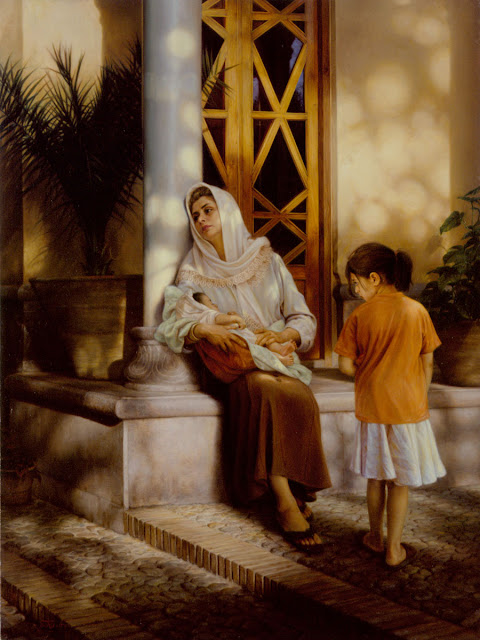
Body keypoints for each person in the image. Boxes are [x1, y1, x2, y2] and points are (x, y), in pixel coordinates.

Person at [155, 182, 331, 552]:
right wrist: (205, 328)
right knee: (263, 388)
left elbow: (302, 317)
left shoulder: (268, 260)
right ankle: (284, 501)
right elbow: (176, 319)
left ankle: (294, 486)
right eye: (195, 215)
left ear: (227, 210)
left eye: (208, 210)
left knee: (297, 394)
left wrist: (285, 336)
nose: (202, 219)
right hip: (231, 367)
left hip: (274, 359)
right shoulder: (193, 270)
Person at [334, 242, 446, 568]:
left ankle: (374, 536)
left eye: (356, 283)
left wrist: (368, 371)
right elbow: (427, 361)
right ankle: (394, 549)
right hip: (408, 410)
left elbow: (344, 366)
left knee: (376, 478)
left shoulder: (360, 315)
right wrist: (420, 393)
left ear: (374, 278)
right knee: (400, 483)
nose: (356, 291)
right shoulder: (417, 311)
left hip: (373, 408)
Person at [174, 289, 312, 385]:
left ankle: (281, 350)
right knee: (261, 350)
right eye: (210, 302)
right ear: (202, 307)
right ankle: (279, 358)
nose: (214, 304)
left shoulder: (211, 316)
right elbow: (222, 319)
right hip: (244, 341)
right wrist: (235, 318)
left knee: (266, 340)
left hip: (248, 337)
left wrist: (234, 317)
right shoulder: (208, 315)